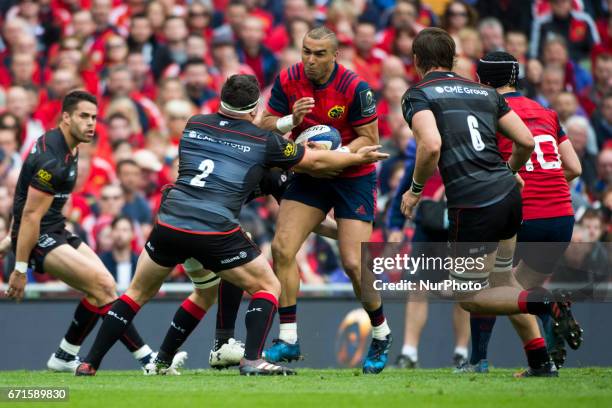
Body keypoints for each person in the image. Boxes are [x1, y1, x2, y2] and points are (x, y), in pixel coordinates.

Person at [74, 74, 388, 376]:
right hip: (213, 229)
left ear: (222, 100)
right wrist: (353, 158)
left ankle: (90, 363)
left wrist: (288, 123)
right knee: (267, 286)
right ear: (255, 110)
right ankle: (251, 359)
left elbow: (300, 216)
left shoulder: (194, 124)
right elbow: (315, 162)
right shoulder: (265, 143)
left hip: (171, 221)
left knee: (136, 294)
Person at [400, 28, 580, 377]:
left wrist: (416, 189)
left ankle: (546, 304)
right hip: (512, 198)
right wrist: (511, 172)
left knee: (469, 295)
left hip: (475, 204)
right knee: (502, 285)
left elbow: (431, 145)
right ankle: (540, 361)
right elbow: (526, 141)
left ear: (416, 61)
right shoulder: (482, 92)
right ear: (454, 59)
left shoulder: (418, 94)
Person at [1, 91, 184, 373]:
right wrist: (19, 268)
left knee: (104, 286)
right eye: (83, 116)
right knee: (101, 286)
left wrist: (7, 241)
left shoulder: (67, 146)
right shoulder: (53, 160)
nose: (91, 123)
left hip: (54, 228)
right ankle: (149, 361)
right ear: (65, 117)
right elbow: (30, 214)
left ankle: (64, 355)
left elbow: (27, 201)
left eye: (94, 117)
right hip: (38, 235)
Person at [258, 26, 392, 374]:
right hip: (309, 173)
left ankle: (380, 332)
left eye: (319, 54)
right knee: (283, 248)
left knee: (353, 263)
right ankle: (288, 339)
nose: (310, 60)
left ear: (335, 55)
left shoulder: (354, 87)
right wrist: (293, 120)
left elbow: (370, 140)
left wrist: (339, 156)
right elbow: (265, 125)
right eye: (306, 51)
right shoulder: (289, 79)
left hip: (353, 174)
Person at [456, 51, 583, 373]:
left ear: (481, 81)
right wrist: (545, 184)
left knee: (483, 289)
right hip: (560, 218)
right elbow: (574, 167)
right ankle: (540, 361)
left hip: (518, 215)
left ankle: (478, 360)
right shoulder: (546, 112)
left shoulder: (488, 111)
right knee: (514, 291)